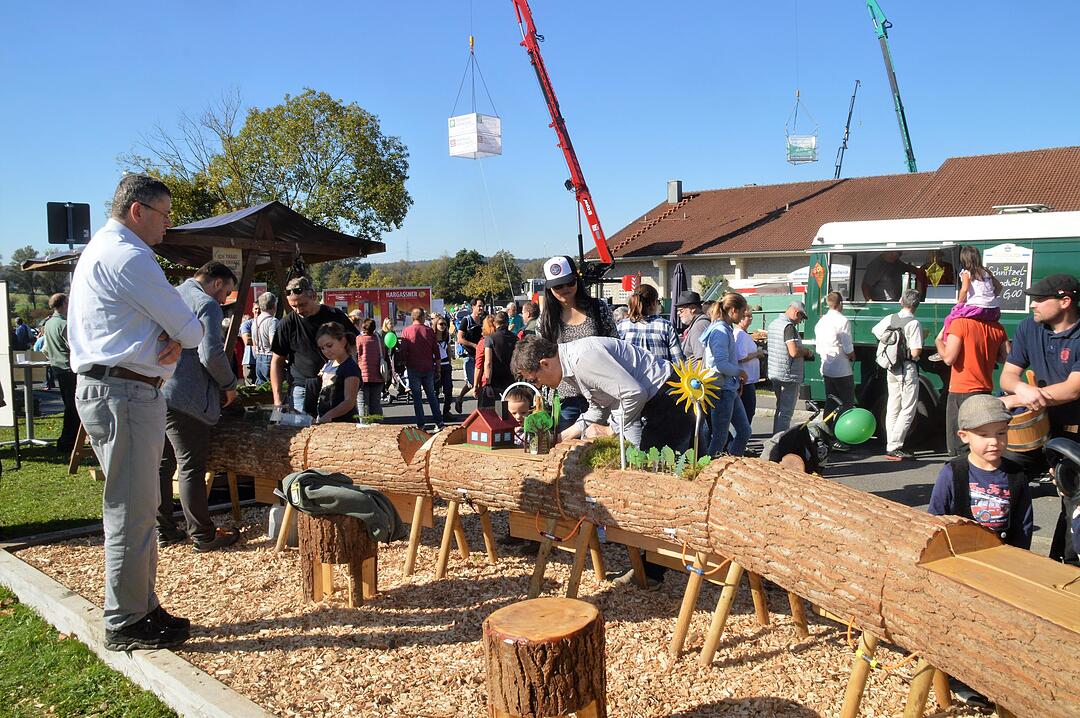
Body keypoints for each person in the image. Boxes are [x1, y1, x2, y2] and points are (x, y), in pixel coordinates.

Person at [69, 174, 203, 651]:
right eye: (164, 215)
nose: (168, 226)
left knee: (140, 508)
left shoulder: (101, 250)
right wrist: (174, 337)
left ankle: (141, 607)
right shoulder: (128, 255)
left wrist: (164, 337)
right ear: (137, 211)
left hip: (119, 389)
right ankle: (127, 620)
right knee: (132, 510)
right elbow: (189, 327)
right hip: (125, 393)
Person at [511, 334, 693, 588]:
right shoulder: (573, 366)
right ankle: (651, 565)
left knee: (656, 485)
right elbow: (599, 407)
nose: (541, 385)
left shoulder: (584, 359)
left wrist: (611, 430)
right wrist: (564, 436)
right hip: (658, 401)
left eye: (536, 379)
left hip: (669, 400)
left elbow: (633, 393)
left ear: (544, 363)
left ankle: (654, 570)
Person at [926, 394, 1033, 710]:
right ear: (964, 436)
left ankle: (989, 677)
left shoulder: (1015, 476)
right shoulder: (953, 473)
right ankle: (957, 677)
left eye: (1001, 433)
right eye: (984, 435)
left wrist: (1017, 565)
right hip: (959, 565)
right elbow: (934, 519)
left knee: (992, 626)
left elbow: (1023, 525)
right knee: (958, 623)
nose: (994, 442)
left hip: (1000, 567)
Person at [156, 261, 240, 553]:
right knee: (191, 466)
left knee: (162, 466)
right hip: (187, 396)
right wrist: (229, 383)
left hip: (159, 389)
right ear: (217, 283)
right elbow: (210, 354)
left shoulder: (170, 294)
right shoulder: (206, 304)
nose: (225, 299)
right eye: (226, 292)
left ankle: (164, 529)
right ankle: (203, 535)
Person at [999, 274, 1080, 565]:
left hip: (1073, 431)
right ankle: (1006, 551)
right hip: (1033, 428)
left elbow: (1072, 388)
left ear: (1065, 301)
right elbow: (1008, 376)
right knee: (1002, 478)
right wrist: (1020, 388)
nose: (1032, 305)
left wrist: (1017, 398)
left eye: (1039, 299)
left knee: (1074, 499)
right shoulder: (1028, 328)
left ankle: (1067, 565)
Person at [537, 255, 617, 433]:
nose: (565, 289)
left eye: (569, 282)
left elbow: (615, 345)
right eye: (558, 286)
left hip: (602, 393)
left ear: (577, 280)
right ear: (549, 288)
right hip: (566, 398)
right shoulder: (545, 321)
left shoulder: (599, 309)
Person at [269, 277, 356, 415]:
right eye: (294, 306)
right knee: (304, 432)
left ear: (314, 296)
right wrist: (278, 400)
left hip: (336, 384)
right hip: (302, 387)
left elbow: (353, 345)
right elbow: (276, 361)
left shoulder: (335, 316)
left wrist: (347, 371)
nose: (298, 310)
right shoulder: (287, 324)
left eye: (302, 305)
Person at [934, 315, 1008, 457]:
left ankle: (961, 476)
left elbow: (949, 359)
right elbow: (1006, 357)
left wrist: (938, 341)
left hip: (961, 391)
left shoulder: (959, 324)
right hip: (985, 391)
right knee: (980, 445)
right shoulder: (997, 326)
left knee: (959, 447)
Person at [871, 289, 924, 460]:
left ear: (902, 302)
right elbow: (915, 352)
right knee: (908, 407)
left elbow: (876, 331)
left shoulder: (890, 318)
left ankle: (890, 443)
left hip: (890, 367)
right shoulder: (913, 323)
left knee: (893, 405)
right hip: (906, 368)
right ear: (916, 305)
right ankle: (895, 446)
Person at [703, 293, 751, 456]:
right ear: (732, 310)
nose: (745, 315)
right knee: (720, 437)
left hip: (728, 388)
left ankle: (731, 463)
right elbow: (720, 363)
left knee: (744, 431)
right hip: (721, 389)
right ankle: (710, 470)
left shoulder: (723, 328)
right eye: (743, 311)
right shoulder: (721, 331)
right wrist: (740, 372)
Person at [767, 301, 814, 434]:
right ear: (796, 312)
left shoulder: (774, 324)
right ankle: (781, 443)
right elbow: (793, 352)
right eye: (800, 318)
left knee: (780, 410)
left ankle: (775, 440)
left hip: (775, 371)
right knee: (786, 412)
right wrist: (806, 352)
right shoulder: (788, 327)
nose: (800, 321)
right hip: (788, 375)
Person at [42, 293, 78, 455]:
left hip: (58, 368)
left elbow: (44, 349)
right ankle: (67, 443)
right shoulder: (64, 324)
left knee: (70, 406)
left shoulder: (49, 324)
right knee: (73, 408)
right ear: (64, 304)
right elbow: (75, 346)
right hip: (69, 368)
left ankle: (69, 442)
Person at [941, 246, 1003, 339]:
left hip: (977, 308)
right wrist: (990, 297)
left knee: (949, 319)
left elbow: (964, 289)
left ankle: (946, 341)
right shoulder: (986, 271)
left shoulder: (966, 272)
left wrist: (959, 303)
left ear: (964, 259)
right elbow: (999, 287)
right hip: (994, 310)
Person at [814, 292, 856, 420]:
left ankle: (827, 430)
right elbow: (847, 346)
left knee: (831, 401)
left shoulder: (821, 321)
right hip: (841, 369)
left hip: (826, 367)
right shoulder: (843, 321)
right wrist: (852, 356)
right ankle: (842, 431)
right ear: (840, 304)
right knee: (847, 403)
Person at [400, 307, 445, 430]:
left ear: (413, 317)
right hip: (428, 367)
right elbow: (436, 352)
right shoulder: (429, 331)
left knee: (417, 398)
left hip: (413, 367)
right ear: (421, 317)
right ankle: (439, 422)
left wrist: (405, 363)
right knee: (431, 395)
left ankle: (421, 424)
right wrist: (438, 369)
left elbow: (404, 351)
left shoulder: (406, 331)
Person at [618, 284, 685, 364]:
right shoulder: (666, 327)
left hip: (629, 375)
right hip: (661, 375)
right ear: (654, 303)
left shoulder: (621, 326)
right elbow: (679, 362)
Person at [314, 322, 360, 424]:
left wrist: (328, 416)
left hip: (344, 423)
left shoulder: (350, 367)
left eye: (329, 345)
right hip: (325, 420)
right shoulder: (329, 364)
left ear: (343, 341)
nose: (326, 351)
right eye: (322, 348)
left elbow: (349, 401)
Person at [733, 308, 762, 430]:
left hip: (748, 379)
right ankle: (737, 443)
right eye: (747, 316)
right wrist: (757, 353)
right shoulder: (740, 335)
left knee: (747, 412)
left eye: (751, 316)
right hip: (745, 380)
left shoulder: (743, 334)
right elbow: (741, 356)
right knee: (746, 412)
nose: (750, 319)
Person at [454, 299, 485, 413]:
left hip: (481, 356)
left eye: (482, 306)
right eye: (479, 306)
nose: (481, 308)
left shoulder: (483, 321)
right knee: (473, 383)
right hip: (470, 356)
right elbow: (460, 338)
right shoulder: (466, 321)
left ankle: (480, 410)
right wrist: (474, 345)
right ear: (473, 306)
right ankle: (460, 399)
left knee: (480, 384)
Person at [482, 311, 518, 408]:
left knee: (495, 409)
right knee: (510, 408)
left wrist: (487, 383)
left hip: (495, 378)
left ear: (495, 323)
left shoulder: (490, 338)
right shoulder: (515, 338)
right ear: (507, 323)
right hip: (511, 377)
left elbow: (488, 362)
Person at [355, 319, 384, 418]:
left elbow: (356, 355)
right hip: (378, 376)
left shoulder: (359, 339)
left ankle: (365, 427)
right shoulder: (379, 340)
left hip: (363, 376)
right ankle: (379, 426)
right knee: (376, 404)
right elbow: (383, 355)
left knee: (363, 403)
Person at [675, 291, 711, 362]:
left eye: (681, 310)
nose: (678, 313)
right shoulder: (699, 323)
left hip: (696, 372)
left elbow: (701, 360)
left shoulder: (699, 326)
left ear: (693, 308)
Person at [251, 292, 278, 384]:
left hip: (258, 357)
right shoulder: (272, 321)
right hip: (270, 357)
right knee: (275, 387)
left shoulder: (255, 321)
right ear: (274, 305)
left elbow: (254, 343)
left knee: (262, 390)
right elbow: (274, 343)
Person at [472, 315, 498, 406]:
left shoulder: (483, 342)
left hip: (486, 381)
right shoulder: (500, 339)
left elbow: (478, 366)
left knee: (486, 412)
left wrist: (475, 386)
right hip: (502, 380)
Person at [433, 315, 454, 416]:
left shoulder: (447, 336)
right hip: (434, 365)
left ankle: (446, 411)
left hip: (445, 365)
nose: (443, 326)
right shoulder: (432, 336)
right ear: (436, 324)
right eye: (441, 324)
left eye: (445, 324)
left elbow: (449, 350)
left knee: (448, 389)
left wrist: (450, 363)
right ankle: (436, 413)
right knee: (435, 391)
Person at [239, 312, 255, 385]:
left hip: (259, 360)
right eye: (255, 309)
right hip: (249, 360)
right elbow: (247, 341)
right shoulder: (246, 325)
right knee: (250, 385)